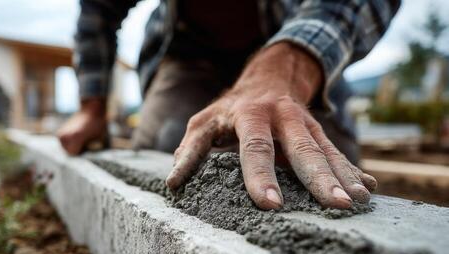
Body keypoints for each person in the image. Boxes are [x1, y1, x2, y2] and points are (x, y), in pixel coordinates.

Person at [58, 0, 400, 210]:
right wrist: (92, 107)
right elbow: (98, 9)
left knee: (327, 172)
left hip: (297, 37)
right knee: (169, 149)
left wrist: (291, 66)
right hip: (190, 50)